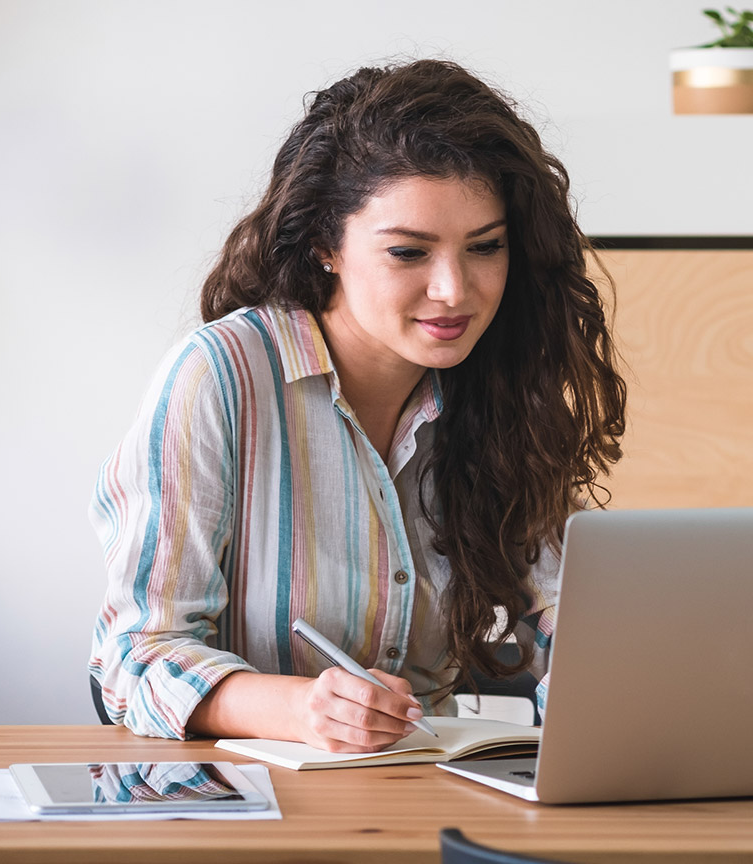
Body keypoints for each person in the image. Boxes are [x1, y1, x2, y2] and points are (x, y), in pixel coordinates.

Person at [88, 59, 626, 752]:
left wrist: (624, 678)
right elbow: (137, 655)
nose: (454, 290)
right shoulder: (222, 374)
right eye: (409, 252)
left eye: (485, 248)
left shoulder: (500, 384)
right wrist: (302, 708)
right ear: (324, 246)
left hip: (420, 789)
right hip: (242, 805)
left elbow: (566, 616)